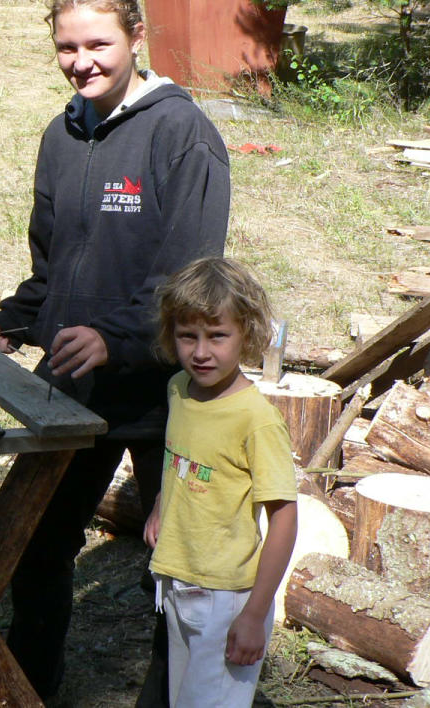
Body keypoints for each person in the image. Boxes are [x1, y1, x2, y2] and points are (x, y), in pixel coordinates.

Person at [0, 0, 231, 703]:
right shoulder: (62, 133)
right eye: (67, 47)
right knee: (37, 544)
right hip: (76, 384)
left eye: (98, 45)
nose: (81, 62)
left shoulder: (182, 134)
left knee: (178, 569)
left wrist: (117, 339)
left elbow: (191, 277)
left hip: (166, 391)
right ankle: (29, 687)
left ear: (137, 37)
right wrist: (17, 318)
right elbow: (54, 262)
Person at [144, 256, 298, 707]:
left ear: (246, 334)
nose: (200, 352)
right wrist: (161, 504)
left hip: (228, 599)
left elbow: (285, 520)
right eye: (187, 335)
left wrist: (254, 613)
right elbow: (184, 456)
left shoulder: (256, 420)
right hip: (178, 581)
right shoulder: (178, 388)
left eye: (217, 336)